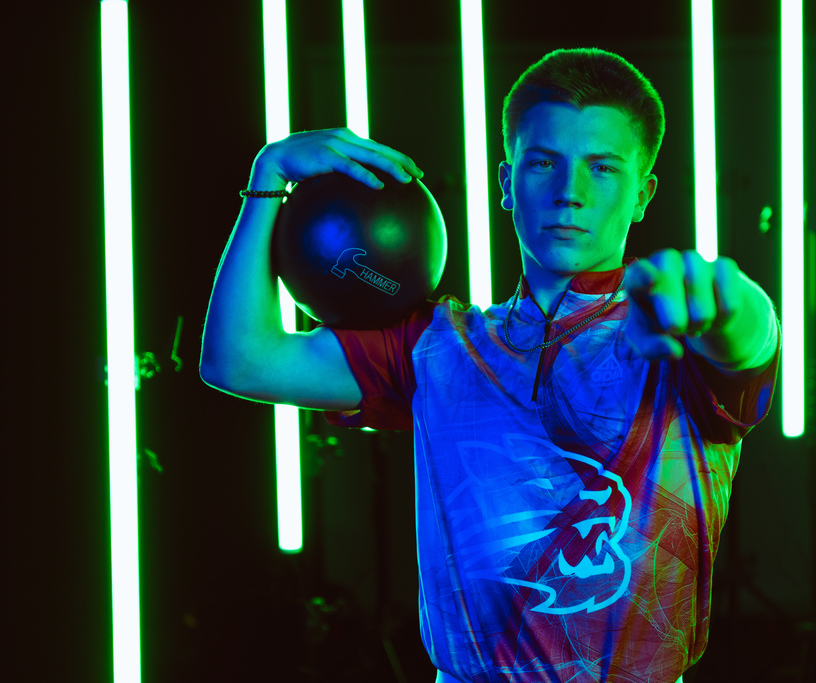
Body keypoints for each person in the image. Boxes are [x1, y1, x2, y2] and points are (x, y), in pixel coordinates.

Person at [201, 47, 780, 683]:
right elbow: (241, 361)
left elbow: (749, 339)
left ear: (642, 195)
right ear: (506, 183)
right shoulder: (439, 347)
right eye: (543, 163)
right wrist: (268, 176)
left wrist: (725, 302)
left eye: (602, 168)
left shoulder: (678, 346)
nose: (570, 192)